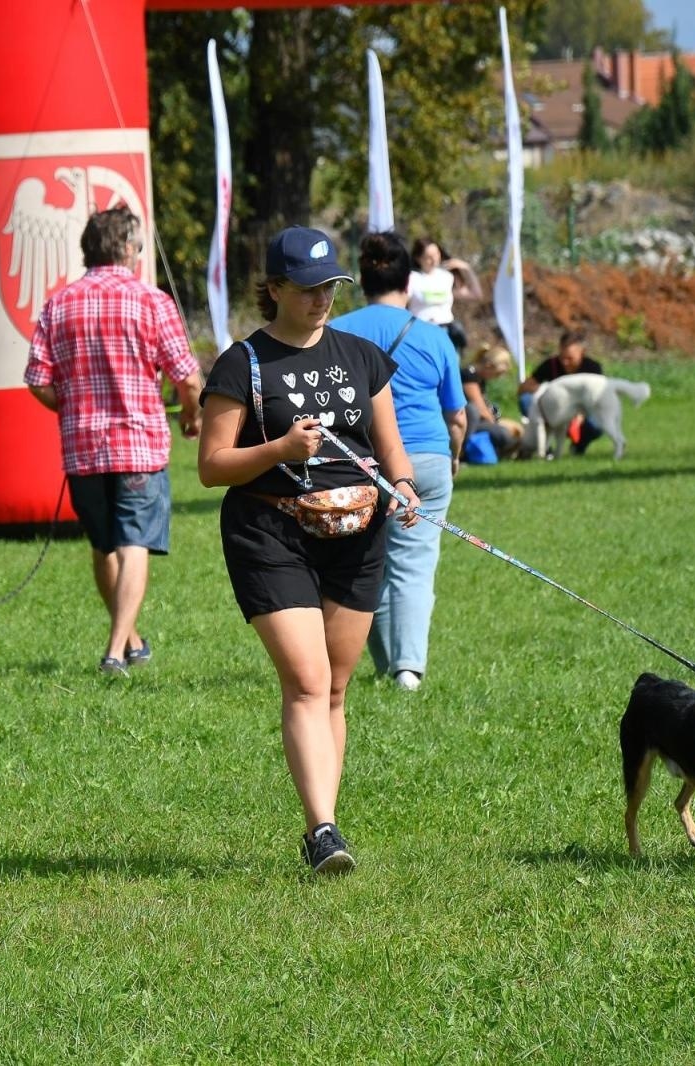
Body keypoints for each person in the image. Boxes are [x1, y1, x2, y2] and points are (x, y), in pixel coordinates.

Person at [198, 225, 420, 874]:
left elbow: (389, 442)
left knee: (337, 688)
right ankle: (322, 831)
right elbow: (212, 466)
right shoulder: (243, 364)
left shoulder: (360, 355)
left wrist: (402, 487)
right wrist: (280, 450)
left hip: (357, 534)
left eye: (331, 286)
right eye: (307, 289)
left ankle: (327, 822)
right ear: (273, 290)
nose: (322, 298)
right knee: (306, 679)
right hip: (270, 532)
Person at [25, 206, 203, 676]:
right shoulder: (152, 301)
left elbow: (37, 380)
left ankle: (132, 640)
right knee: (135, 544)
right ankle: (113, 651)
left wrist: (73, 408)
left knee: (104, 546)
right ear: (126, 247)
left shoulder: (58, 304)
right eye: (139, 246)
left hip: (83, 449)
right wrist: (190, 416)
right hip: (140, 445)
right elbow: (188, 377)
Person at [330, 232, 465, 693]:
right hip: (426, 459)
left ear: (361, 279)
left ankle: (387, 662)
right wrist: (456, 455)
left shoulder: (337, 333)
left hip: (358, 461)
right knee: (413, 566)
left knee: (363, 564)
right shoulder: (434, 337)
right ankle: (406, 669)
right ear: (408, 281)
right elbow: (458, 415)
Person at [518, 328, 605, 454]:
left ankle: (578, 446)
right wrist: (544, 390)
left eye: (570, 358)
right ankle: (546, 447)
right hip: (554, 410)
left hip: (582, 411)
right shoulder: (550, 365)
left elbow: (598, 398)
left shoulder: (593, 368)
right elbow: (524, 388)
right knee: (526, 400)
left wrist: (579, 416)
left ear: (582, 352)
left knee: (597, 424)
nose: (565, 362)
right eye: (562, 357)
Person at [406, 236, 482, 356]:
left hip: (447, 332)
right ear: (418, 258)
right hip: (421, 333)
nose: (434, 260)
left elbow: (475, 294)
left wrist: (466, 268)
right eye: (428, 257)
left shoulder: (446, 277)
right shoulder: (412, 278)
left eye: (436, 254)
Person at [460, 343, 522, 459]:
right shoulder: (469, 376)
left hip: (475, 422)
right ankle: (462, 452)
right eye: (498, 373)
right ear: (488, 366)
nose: (498, 378)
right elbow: (480, 408)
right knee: (504, 434)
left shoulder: (479, 378)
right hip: (468, 422)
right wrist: (495, 424)